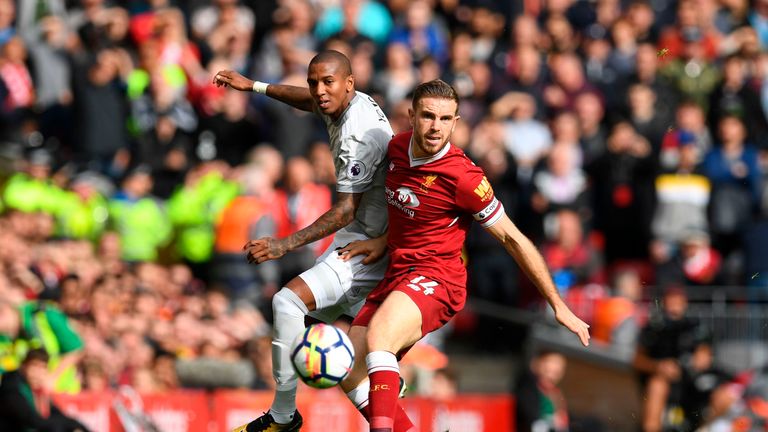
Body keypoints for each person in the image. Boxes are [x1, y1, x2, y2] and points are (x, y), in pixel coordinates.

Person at [339, 79, 590, 432]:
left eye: (445, 119)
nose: (435, 127)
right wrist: (382, 240)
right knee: (348, 372)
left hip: (439, 280)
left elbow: (514, 239)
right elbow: (407, 210)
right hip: (397, 274)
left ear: (456, 122)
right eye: (428, 116)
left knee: (380, 337)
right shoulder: (395, 149)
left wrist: (557, 304)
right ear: (411, 116)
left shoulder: (464, 177)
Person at [213, 49, 394, 432]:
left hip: (366, 244)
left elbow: (345, 209)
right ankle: (395, 415)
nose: (318, 91)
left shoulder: (357, 135)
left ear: (349, 83)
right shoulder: (349, 101)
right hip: (361, 235)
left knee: (287, 301)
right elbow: (310, 100)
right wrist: (256, 86)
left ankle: (282, 416)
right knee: (331, 353)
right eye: (314, 82)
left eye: (327, 82)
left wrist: (284, 244)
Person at [0, 349, 90, 432]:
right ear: (23, 367)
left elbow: (56, 414)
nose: (37, 372)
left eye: (42, 367)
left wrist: (78, 427)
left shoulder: (38, 391)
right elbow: (33, 421)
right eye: (34, 366)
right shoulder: (11, 387)